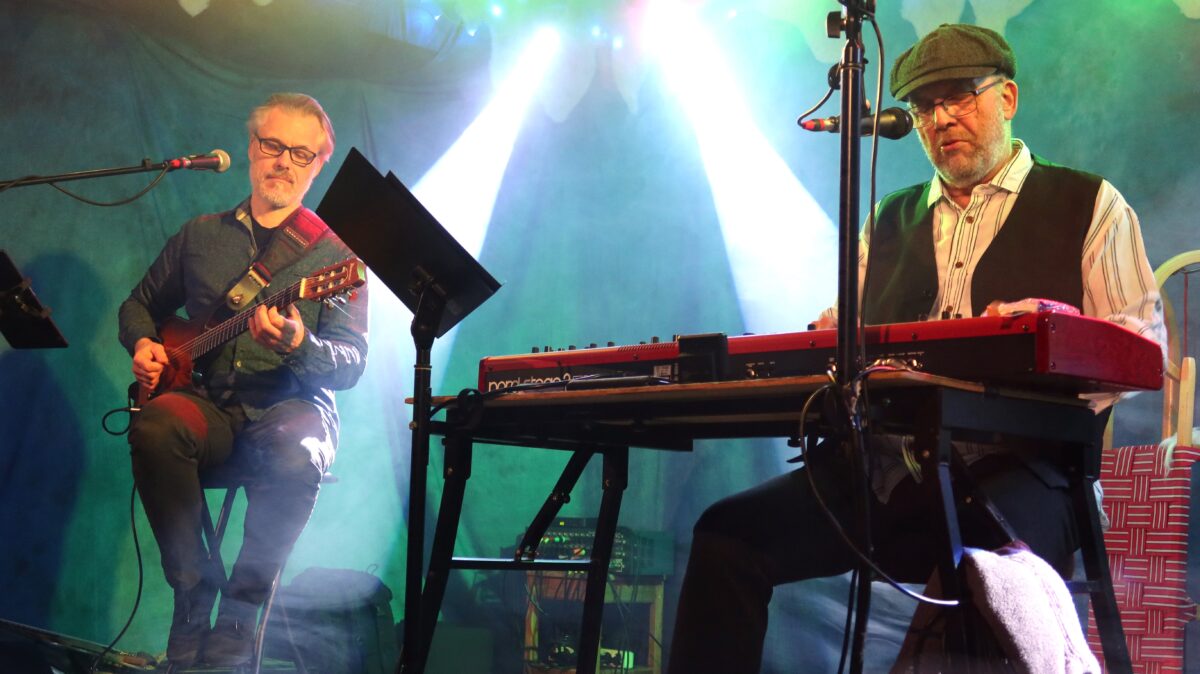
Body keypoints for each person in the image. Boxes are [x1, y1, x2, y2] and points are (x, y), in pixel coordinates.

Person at [667, 24, 1165, 674]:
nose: (940, 119)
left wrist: (1056, 328)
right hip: (891, 475)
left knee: (981, 565)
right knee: (727, 535)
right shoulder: (887, 220)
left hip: (1032, 474)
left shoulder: (1089, 203)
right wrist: (830, 343)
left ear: (1008, 98)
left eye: (958, 96)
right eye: (924, 105)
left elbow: (1143, 347)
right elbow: (840, 338)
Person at [118, 93, 368, 670]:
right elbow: (138, 305)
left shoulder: (339, 256)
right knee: (155, 427)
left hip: (291, 408)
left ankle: (241, 610)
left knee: (298, 450)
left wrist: (301, 345)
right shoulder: (199, 235)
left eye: (300, 153)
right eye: (273, 145)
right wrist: (144, 343)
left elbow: (352, 362)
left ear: (317, 165)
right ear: (252, 148)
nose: (284, 161)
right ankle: (191, 594)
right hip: (209, 405)